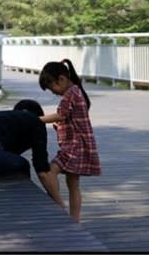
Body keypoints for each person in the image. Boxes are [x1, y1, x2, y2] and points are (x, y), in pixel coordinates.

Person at [38, 59, 101, 222]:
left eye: (53, 88)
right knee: (73, 185)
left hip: (74, 146)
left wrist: (37, 120)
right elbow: (70, 118)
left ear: (62, 79)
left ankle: (60, 209)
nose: (54, 92)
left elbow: (60, 114)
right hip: (79, 144)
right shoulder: (76, 90)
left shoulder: (70, 93)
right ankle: (75, 220)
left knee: (50, 172)